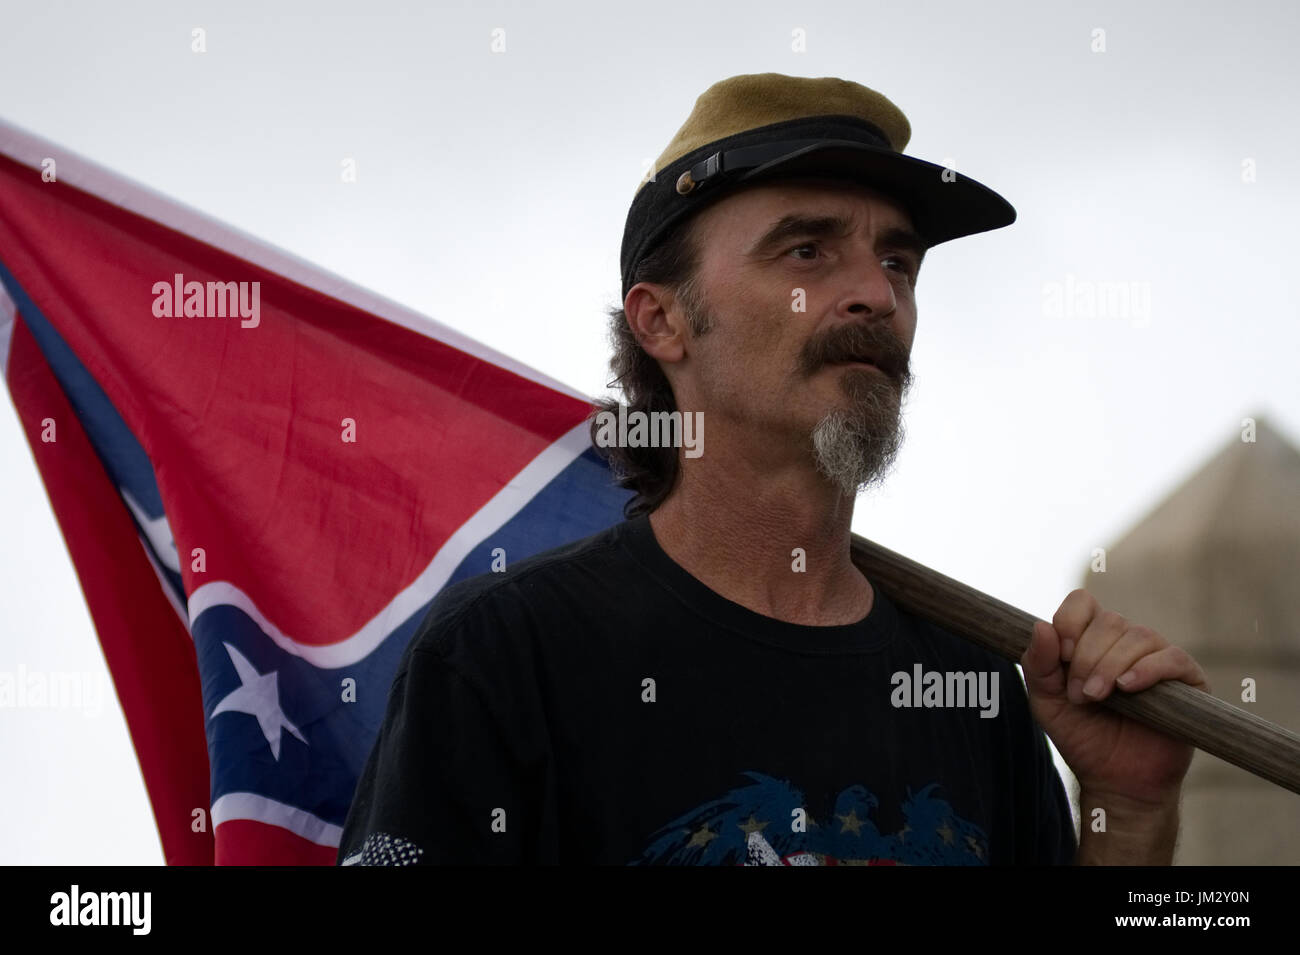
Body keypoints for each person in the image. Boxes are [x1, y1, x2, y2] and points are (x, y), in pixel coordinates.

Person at [337, 73, 1209, 865]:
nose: (877, 293)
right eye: (807, 251)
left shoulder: (970, 686)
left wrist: (1127, 815)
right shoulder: (504, 655)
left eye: (898, 260)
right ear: (663, 321)